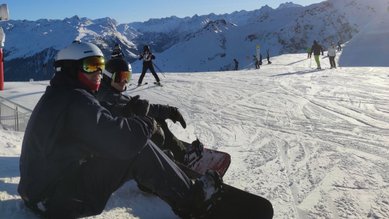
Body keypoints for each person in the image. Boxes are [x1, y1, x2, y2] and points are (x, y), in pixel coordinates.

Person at [18, 41, 223, 219]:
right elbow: (122, 142)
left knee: (118, 144)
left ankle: (155, 177)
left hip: (40, 193)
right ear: (70, 69)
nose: (98, 72)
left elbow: (99, 132)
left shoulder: (58, 95)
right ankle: (193, 201)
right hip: (57, 199)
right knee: (137, 149)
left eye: (100, 65)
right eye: (91, 66)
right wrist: (148, 124)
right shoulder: (76, 100)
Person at [96, 54, 203, 164]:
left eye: (126, 77)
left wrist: (168, 111)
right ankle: (181, 157)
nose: (124, 81)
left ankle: (169, 152)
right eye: (119, 77)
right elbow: (144, 109)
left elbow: (140, 106)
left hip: (119, 140)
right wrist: (169, 111)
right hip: (122, 146)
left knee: (152, 119)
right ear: (108, 77)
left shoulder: (105, 91)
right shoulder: (111, 97)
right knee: (154, 122)